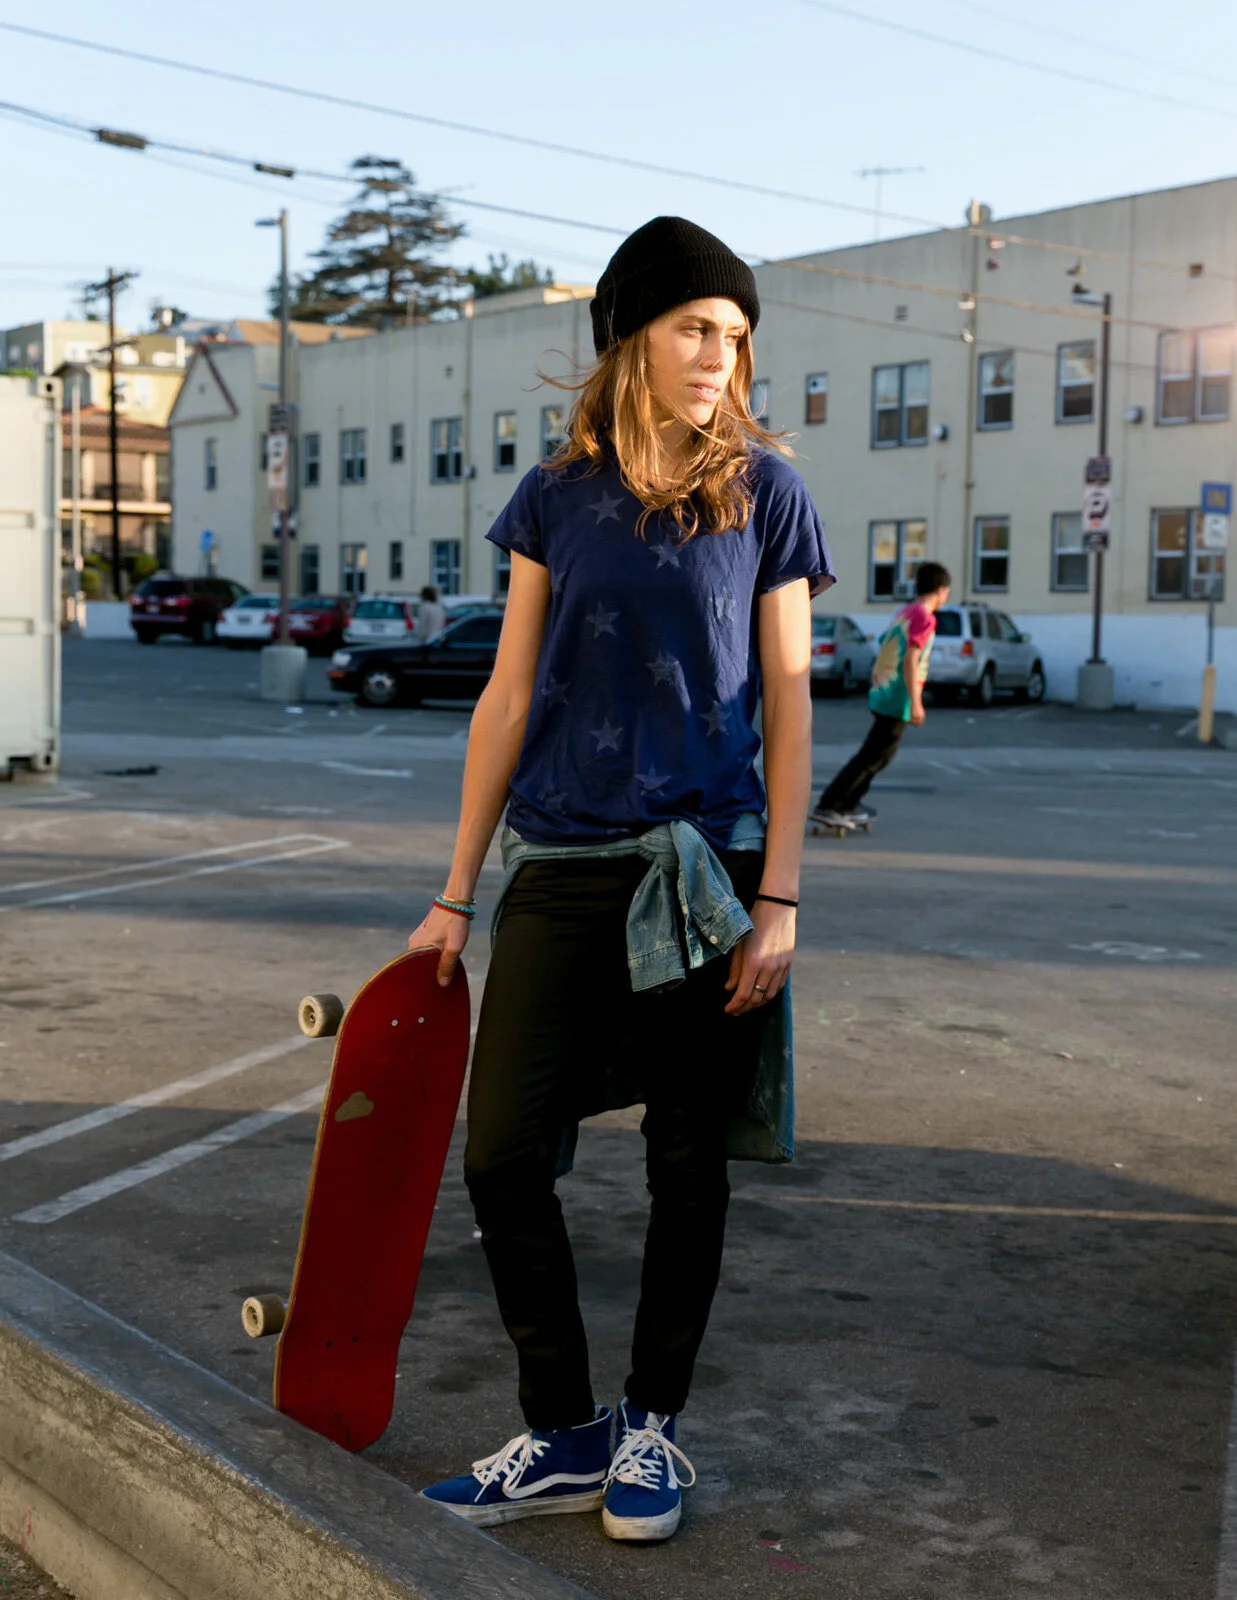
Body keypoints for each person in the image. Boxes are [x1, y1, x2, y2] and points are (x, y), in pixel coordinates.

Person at [410, 216, 833, 1543]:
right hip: (559, 860)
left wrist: (780, 897)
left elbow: (786, 694)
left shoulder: (768, 493)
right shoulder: (555, 494)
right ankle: (565, 1429)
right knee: (499, 1157)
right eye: (695, 327)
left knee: (683, 1159)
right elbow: (508, 691)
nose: (720, 354)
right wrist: (455, 885)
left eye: (735, 335)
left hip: (700, 872)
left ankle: (651, 1430)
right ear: (631, 338)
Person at [810, 561, 951, 831]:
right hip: (898, 695)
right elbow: (911, 659)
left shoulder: (907, 611)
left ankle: (847, 802)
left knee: (877, 754)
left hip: (883, 689)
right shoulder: (924, 617)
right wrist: (917, 703)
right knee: (874, 756)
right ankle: (834, 803)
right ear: (941, 590)